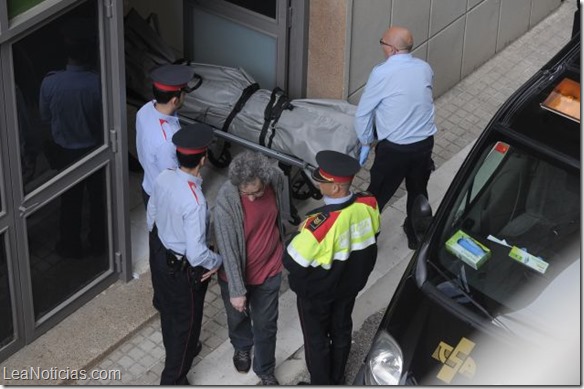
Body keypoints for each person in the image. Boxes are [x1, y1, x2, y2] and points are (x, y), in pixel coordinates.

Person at [283, 150, 381, 385]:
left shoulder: (318, 225)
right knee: (341, 330)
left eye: (322, 181)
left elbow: (292, 262)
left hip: (317, 294)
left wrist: (293, 239)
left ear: (336, 187)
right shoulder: (368, 204)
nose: (317, 183)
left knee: (316, 340)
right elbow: (374, 235)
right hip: (349, 288)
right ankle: (337, 378)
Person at [146, 123, 223, 385]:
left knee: (168, 311)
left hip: (159, 254)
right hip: (181, 269)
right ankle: (174, 378)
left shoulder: (164, 176)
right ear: (203, 159)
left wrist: (160, 242)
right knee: (186, 326)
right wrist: (218, 261)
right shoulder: (195, 201)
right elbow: (197, 254)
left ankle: (181, 351)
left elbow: (151, 215)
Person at [354, 25, 437, 250]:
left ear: (391, 49)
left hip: (395, 149)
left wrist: (364, 141)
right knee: (418, 190)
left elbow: (364, 112)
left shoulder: (382, 72)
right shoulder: (424, 68)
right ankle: (414, 234)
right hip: (423, 145)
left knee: (376, 196)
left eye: (382, 43)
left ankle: (365, 242)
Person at [213, 151, 286, 386]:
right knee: (237, 318)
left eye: (257, 192)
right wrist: (236, 290)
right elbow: (228, 248)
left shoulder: (276, 178)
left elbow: (281, 213)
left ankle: (265, 369)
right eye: (247, 193)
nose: (252, 198)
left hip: (270, 269)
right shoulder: (227, 198)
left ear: (265, 180)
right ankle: (242, 346)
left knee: (266, 325)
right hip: (236, 276)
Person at [39, 17, 105, 259]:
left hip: (66, 150)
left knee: (70, 202)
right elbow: (102, 118)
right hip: (93, 147)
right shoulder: (96, 83)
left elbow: (45, 117)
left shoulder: (50, 82)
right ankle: (98, 241)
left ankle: (70, 245)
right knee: (98, 198)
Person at [136, 63, 197, 207]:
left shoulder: (145, 110)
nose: (185, 97)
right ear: (175, 100)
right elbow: (172, 181)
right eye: (184, 93)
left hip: (148, 185)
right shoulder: (168, 141)